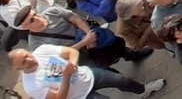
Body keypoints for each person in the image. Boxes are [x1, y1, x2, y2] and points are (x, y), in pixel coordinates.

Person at [8, 45, 165, 99]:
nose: (30, 59)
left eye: (27, 55)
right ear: (18, 68)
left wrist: (72, 65)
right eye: (24, 62)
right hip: (80, 96)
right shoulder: (31, 85)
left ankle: (144, 90)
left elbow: (71, 52)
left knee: (120, 80)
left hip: (87, 74)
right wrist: (66, 77)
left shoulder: (42, 51)